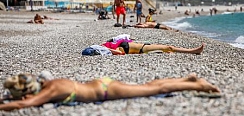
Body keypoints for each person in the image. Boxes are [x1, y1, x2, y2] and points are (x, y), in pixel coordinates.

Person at [0, 73, 220, 111]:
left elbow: (24, 105)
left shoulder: (51, 90)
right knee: (149, 85)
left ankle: (198, 85)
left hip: (106, 91)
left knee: (153, 90)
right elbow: (25, 99)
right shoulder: (50, 83)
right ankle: (186, 79)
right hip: (102, 85)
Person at [102, 40, 205, 55]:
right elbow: (119, 53)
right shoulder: (106, 48)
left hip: (143, 46)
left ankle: (193, 51)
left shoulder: (107, 44)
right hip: (142, 49)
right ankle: (193, 51)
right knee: (169, 47)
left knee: (167, 49)